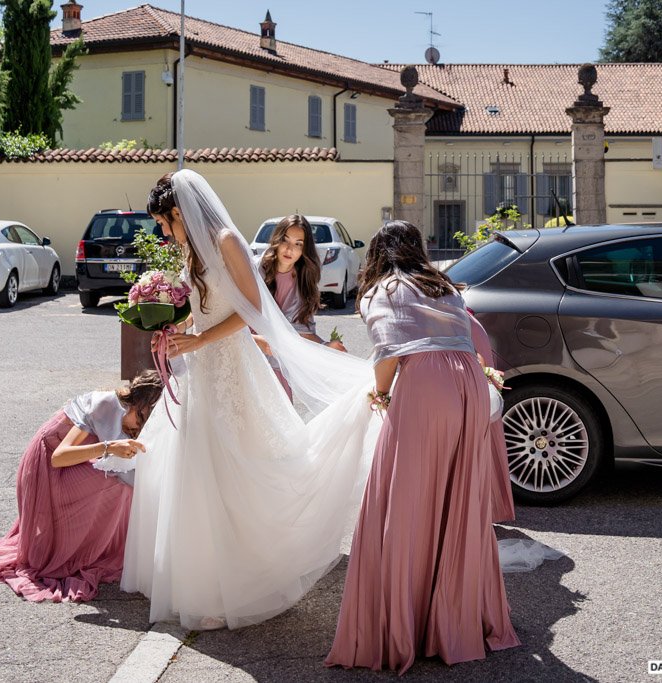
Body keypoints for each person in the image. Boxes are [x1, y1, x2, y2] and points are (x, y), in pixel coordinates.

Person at [95, 169, 381, 630]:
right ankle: (202, 580)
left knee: (236, 465)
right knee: (198, 470)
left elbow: (253, 312)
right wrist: (176, 333)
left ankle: (241, 580)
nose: (164, 233)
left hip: (232, 367)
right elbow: (204, 310)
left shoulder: (227, 240)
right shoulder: (191, 248)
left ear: (179, 211)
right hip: (203, 372)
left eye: (166, 224)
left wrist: (200, 340)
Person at [325, 220, 520, 674]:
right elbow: (467, 341)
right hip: (468, 384)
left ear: (376, 253)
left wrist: (382, 393)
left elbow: (388, 354)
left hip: (428, 384)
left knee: (405, 498)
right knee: (458, 500)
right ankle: (453, 618)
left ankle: (404, 624)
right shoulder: (443, 286)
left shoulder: (385, 289)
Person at [0, 370, 163, 603]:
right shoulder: (103, 405)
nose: (142, 426)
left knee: (126, 482)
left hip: (76, 462)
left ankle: (92, 548)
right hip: (48, 467)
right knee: (114, 482)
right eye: (143, 417)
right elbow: (59, 457)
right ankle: (73, 551)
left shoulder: (134, 417)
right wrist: (109, 447)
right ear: (135, 403)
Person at [254, 214, 346, 398]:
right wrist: (257, 339)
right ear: (276, 241)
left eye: (298, 244)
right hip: (250, 358)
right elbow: (235, 313)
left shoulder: (304, 280)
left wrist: (325, 345)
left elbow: (300, 329)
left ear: (305, 249)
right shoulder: (256, 270)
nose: (290, 249)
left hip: (279, 362)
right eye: (285, 240)